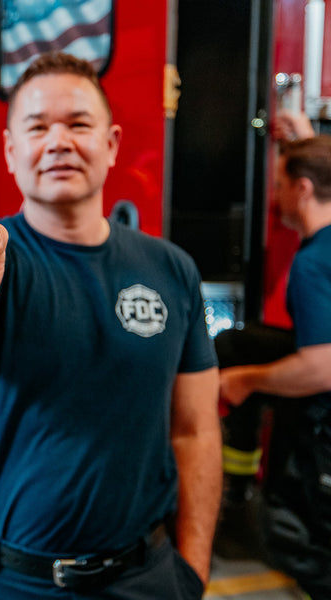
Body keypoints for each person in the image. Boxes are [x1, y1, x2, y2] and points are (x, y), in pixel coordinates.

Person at [0, 51, 222, 599]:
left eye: (78, 124)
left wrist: (193, 572)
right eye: (37, 127)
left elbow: (196, 429)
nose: (59, 141)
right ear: (10, 154)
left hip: (144, 579)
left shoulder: (172, 268)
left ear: (110, 145)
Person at [218, 133, 331, 598]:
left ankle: (241, 500)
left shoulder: (312, 265)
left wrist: (243, 381)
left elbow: (322, 367)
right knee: (239, 343)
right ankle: (239, 492)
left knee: (300, 543)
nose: (274, 196)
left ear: (303, 188)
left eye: (281, 183)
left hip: (320, 442)